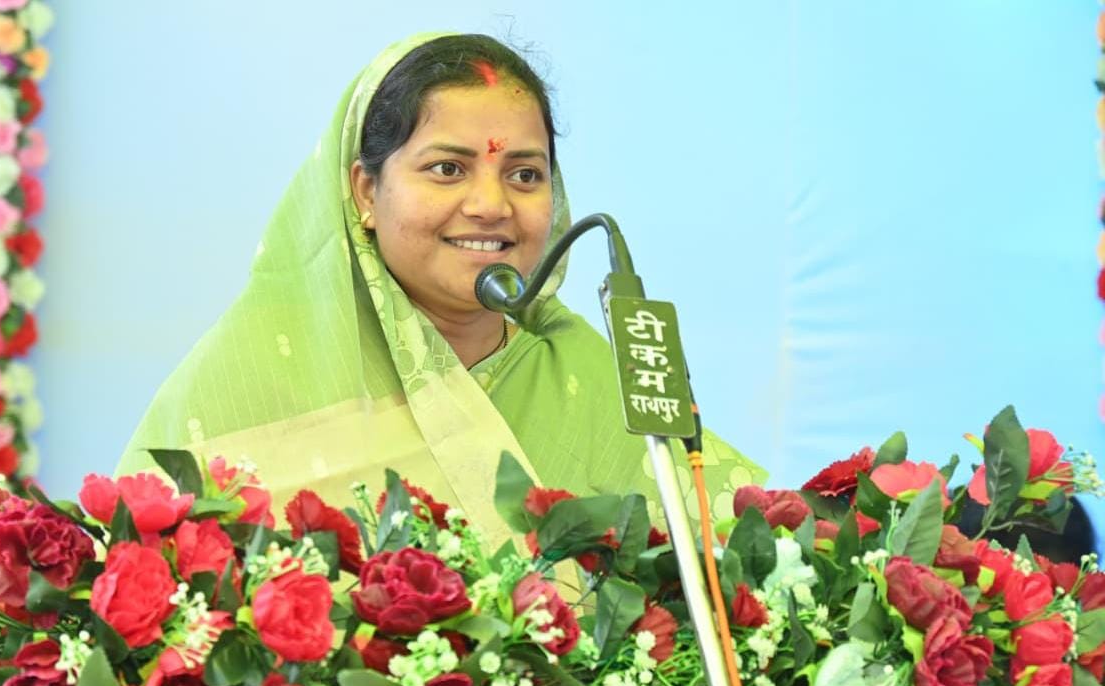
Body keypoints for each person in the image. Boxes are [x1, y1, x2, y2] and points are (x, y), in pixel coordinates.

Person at [117, 32, 764, 548]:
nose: (491, 205)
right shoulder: (252, 377)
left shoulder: (594, 384)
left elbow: (752, 565)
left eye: (525, 174)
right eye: (448, 168)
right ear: (365, 192)